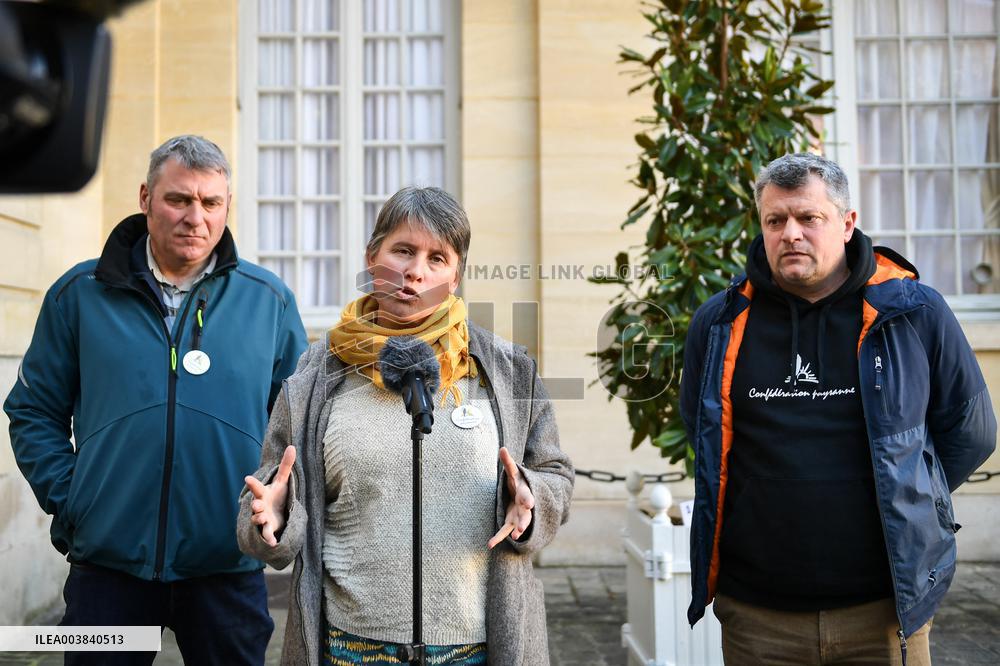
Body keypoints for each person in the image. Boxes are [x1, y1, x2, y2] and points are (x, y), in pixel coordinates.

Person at [680, 152, 997, 665]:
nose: (791, 234)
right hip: (758, 617)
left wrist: (912, 494)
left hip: (885, 611)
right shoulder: (719, 322)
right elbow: (703, 430)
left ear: (847, 223)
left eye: (810, 218)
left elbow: (972, 431)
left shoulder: (915, 313)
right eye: (775, 220)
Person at [237, 186, 574, 666]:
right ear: (372, 257)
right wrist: (275, 517)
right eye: (402, 250)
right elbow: (265, 505)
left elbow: (556, 474)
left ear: (455, 276)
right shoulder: (314, 376)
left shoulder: (506, 370)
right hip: (349, 648)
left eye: (437, 257)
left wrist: (534, 499)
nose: (417, 270)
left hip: (479, 647)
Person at [5, 135, 308, 665]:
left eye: (210, 203)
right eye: (179, 200)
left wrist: (272, 506)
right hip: (109, 570)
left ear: (227, 207)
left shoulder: (270, 302)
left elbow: (296, 426)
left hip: (226, 566)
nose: (196, 217)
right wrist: (75, 498)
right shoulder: (78, 295)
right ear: (146, 198)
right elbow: (33, 411)